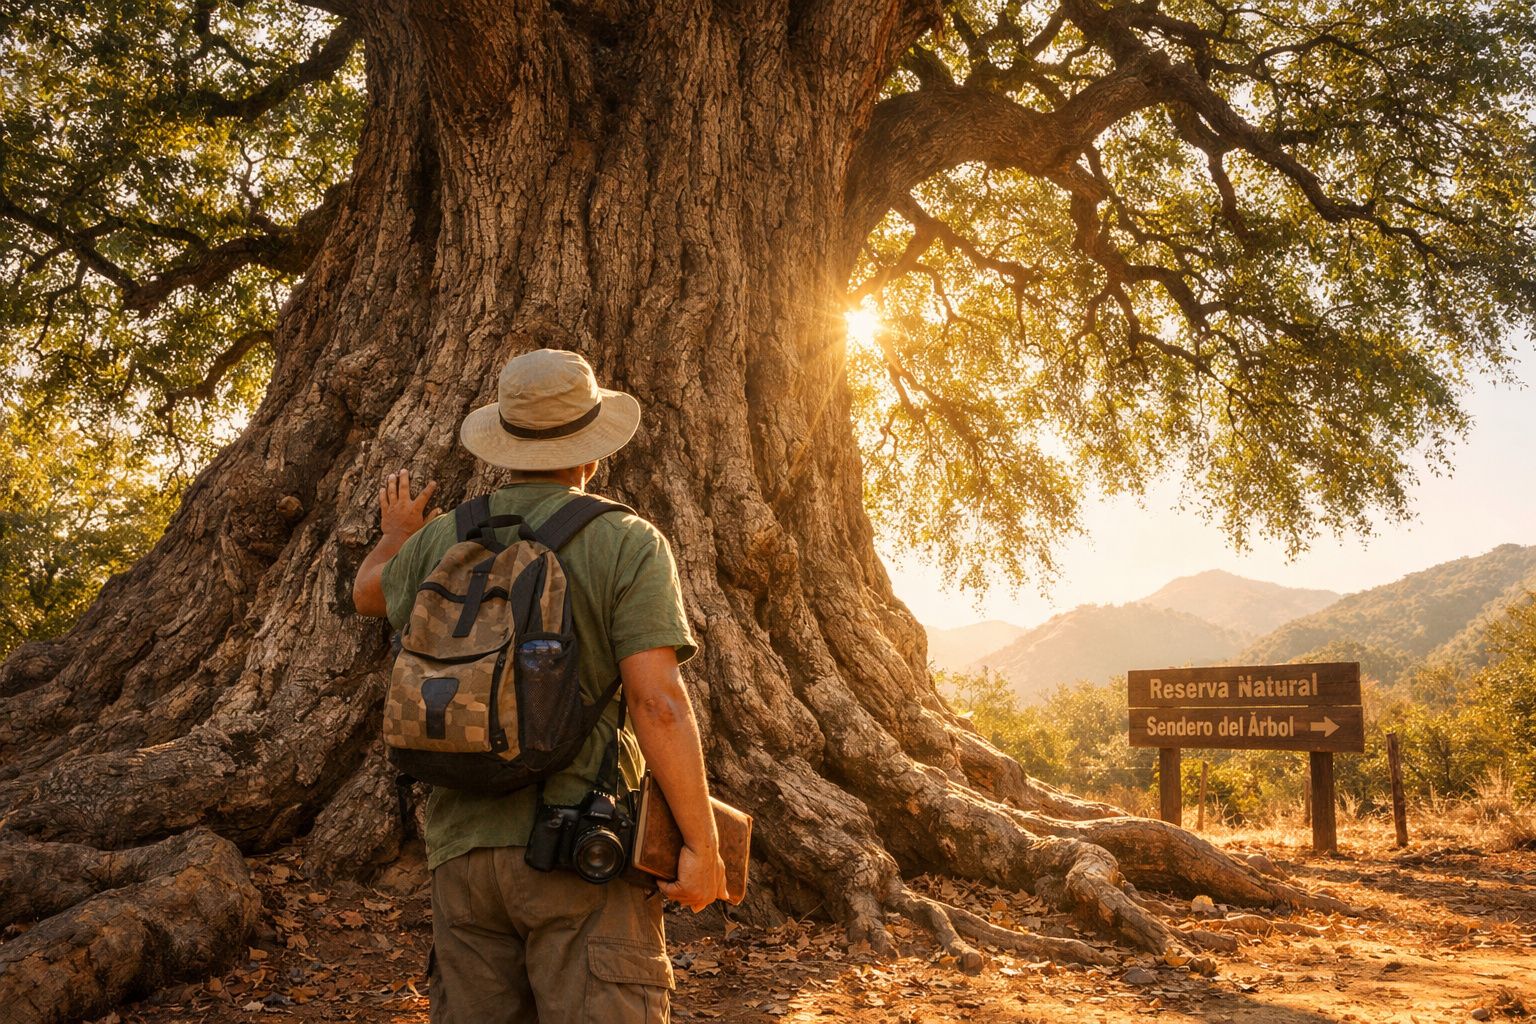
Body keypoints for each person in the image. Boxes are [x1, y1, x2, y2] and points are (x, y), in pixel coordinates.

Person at [352, 346, 727, 1024]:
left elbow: (368, 593)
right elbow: (659, 703)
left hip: (462, 853)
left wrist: (397, 535)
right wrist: (702, 846)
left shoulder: (444, 538)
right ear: (592, 454)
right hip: (580, 852)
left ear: (504, 444)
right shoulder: (627, 541)